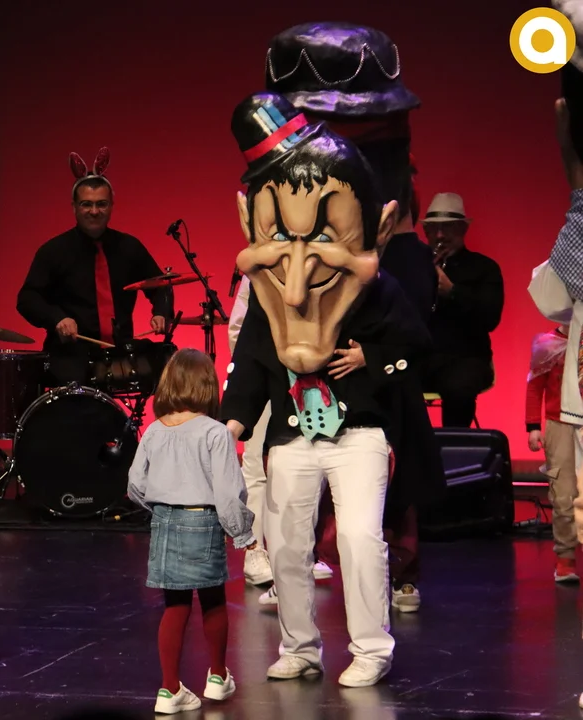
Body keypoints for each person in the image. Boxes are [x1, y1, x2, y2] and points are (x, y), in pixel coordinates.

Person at [221, 93, 432, 687]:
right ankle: (300, 645)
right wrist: (231, 423)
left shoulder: (378, 289)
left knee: (361, 538)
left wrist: (373, 359)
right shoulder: (269, 293)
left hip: (358, 431)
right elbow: (252, 362)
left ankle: (371, 649)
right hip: (292, 434)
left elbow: (418, 349)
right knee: (286, 545)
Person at [263, 22, 444, 613]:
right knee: (307, 463)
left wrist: (376, 357)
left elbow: (416, 341)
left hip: (379, 386)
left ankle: (402, 569)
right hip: (317, 386)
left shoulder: (402, 255)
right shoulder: (294, 246)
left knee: (391, 476)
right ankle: (308, 559)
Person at [127, 348, 254, 714]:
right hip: (203, 521)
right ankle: (218, 677)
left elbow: (135, 485)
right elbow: (228, 494)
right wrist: (243, 535)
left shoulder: (153, 431)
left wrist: (162, 508)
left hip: (164, 522)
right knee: (213, 599)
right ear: (207, 386)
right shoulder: (216, 433)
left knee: (175, 604)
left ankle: (169, 689)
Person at [17, 148, 173, 384]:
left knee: (167, 367)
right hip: (70, 357)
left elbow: (161, 285)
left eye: (101, 204)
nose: (94, 211)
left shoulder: (129, 247)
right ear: (74, 207)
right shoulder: (53, 251)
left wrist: (161, 312)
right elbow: (27, 299)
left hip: (120, 355)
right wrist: (57, 318)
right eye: (86, 204)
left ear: (111, 206)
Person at [227, 276, 333, 599]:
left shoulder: (322, 269)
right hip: (269, 379)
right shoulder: (260, 273)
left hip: (307, 382)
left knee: (313, 464)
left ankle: (301, 553)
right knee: (257, 468)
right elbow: (240, 330)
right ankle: (255, 552)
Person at [418, 193, 504, 427]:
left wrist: (453, 292)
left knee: (458, 388)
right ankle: (409, 446)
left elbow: (490, 318)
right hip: (422, 358)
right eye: (434, 229)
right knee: (389, 379)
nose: (440, 235)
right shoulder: (414, 266)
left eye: (448, 228)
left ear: (463, 230)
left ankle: (454, 447)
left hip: (467, 358)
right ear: (425, 232)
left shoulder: (484, 268)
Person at [526, 324, 578, 582]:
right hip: (559, 425)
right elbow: (535, 386)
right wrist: (533, 426)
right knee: (563, 493)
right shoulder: (548, 345)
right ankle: (565, 559)